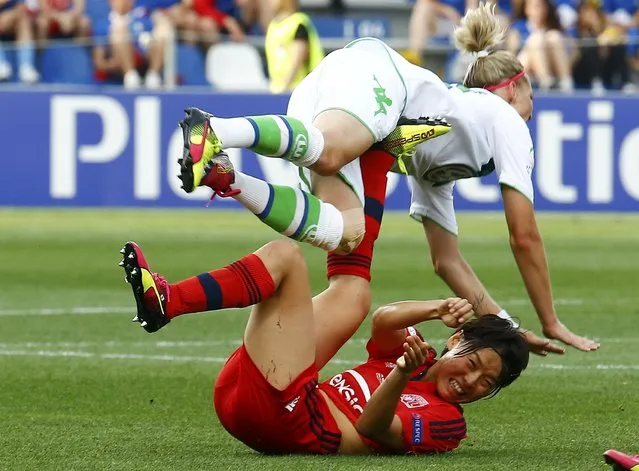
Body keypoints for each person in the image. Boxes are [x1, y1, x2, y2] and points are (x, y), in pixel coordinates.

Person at [174, 3, 599, 355]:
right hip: (372, 75)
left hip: (333, 90)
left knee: (347, 234)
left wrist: (503, 324)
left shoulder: (443, 154)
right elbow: (523, 235)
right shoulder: (505, 118)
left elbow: (445, 260)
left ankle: (227, 179)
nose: (532, 110)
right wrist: (550, 320)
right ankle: (216, 129)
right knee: (332, 153)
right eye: (530, 98)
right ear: (513, 88)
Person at [118, 236, 529, 455]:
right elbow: (383, 320)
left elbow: (370, 428)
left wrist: (401, 374)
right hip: (260, 392)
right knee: (353, 293)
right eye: (474, 363)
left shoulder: (448, 423)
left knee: (285, 256)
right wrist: (436, 307)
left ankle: (169, 302)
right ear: (456, 341)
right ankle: (370, 164)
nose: (472, 381)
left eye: (488, 383)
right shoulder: (416, 354)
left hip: (291, 418)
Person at [264, 0, 324, 94]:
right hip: (277, 89)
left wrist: (284, 88)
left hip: (299, 91)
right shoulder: (273, 26)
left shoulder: (299, 23)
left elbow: (296, 63)